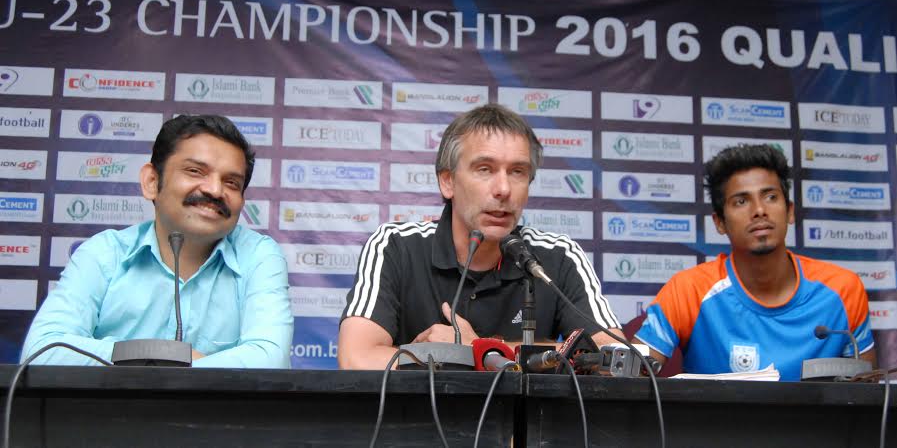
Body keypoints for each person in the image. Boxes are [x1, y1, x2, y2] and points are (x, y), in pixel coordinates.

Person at [338, 103, 621, 369]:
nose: (503, 189)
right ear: (447, 181)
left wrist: (477, 350)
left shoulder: (557, 256)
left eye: (517, 172)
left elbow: (614, 361)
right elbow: (356, 357)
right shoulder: (396, 245)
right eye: (484, 169)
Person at [21, 115, 293, 368]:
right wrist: (164, 355)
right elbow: (42, 351)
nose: (214, 190)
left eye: (232, 182)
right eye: (195, 171)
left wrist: (136, 362)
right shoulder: (104, 253)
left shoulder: (258, 255)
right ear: (152, 181)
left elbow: (269, 360)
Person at [635, 144, 876, 380]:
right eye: (741, 201)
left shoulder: (843, 289)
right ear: (719, 222)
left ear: (790, 211)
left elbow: (865, 399)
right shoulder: (689, 290)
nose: (759, 210)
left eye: (770, 196)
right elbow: (628, 374)